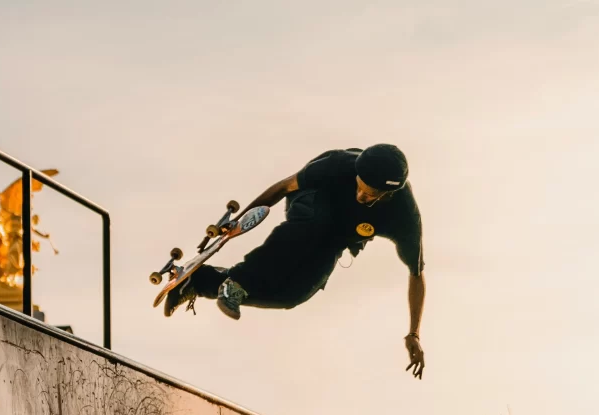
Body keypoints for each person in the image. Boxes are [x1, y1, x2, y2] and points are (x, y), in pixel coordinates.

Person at [164, 144, 426, 378]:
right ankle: (239, 282)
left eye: (369, 195)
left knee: (294, 293)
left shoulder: (404, 218)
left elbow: (415, 274)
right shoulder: (337, 165)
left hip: (336, 238)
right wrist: (237, 225)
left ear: (388, 195)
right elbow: (281, 188)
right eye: (358, 186)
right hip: (311, 201)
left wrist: (413, 333)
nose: (360, 195)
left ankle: (198, 282)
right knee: (315, 224)